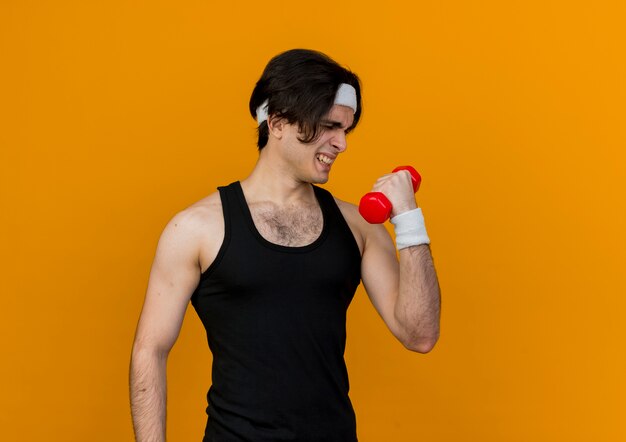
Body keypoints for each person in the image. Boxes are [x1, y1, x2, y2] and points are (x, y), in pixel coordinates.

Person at [129, 48, 441, 442]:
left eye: (345, 130)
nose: (341, 143)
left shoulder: (358, 226)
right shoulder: (196, 228)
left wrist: (409, 221)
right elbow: (149, 351)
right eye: (329, 126)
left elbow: (420, 334)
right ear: (276, 123)